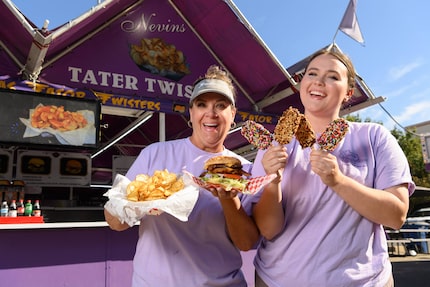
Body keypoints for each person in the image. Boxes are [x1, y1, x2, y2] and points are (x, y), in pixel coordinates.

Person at [248, 46, 415, 287]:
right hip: (278, 280)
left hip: (364, 281)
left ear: (348, 92)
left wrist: (338, 180)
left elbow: (396, 216)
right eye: (312, 74)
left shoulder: (374, 137)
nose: (319, 82)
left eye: (333, 77)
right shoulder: (273, 146)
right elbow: (268, 230)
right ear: (300, 83)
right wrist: (273, 182)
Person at [104, 65, 260, 286]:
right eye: (202, 104)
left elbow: (246, 243)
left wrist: (229, 198)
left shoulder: (245, 170)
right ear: (191, 112)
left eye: (221, 105)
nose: (211, 113)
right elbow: (115, 223)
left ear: (232, 114)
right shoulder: (155, 153)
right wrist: (137, 206)